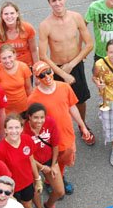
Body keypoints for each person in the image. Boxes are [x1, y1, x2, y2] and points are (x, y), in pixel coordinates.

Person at [38, 0, 95, 143]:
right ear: (49, 3)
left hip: (74, 65)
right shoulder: (45, 25)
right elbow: (42, 55)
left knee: (81, 99)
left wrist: (72, 64)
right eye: (53, 0)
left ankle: (82, 125)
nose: (57, 3)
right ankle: (58, 130)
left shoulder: (76, 17)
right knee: (56, 102)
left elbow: (89, 44)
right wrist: (63, 73)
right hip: (57, 69)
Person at [27, 61, 90, 195]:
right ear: (37, 79)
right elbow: (32, 122)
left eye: (48, 71)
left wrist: (83, 126)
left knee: (64, 160)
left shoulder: (64, 87)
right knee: (51, 162)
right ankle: (51, 181)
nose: (47, 76)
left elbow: (72, 107)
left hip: (67, 134)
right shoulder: (33, 99)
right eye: (42, 75)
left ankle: (60, 177)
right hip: (48, 140)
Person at [23, 103, 63, 208]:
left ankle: (49, 205)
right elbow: (27, 154)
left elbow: (55, 145)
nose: (39, 121)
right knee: (36, 190)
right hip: (31, 163)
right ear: (29, 117)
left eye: (42, 117)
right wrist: (41, 167)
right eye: (35, 117)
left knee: (60, 191)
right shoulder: (23, 129)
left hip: (49, 159)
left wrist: (54, 164)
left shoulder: (50, 122)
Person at [0, 1, 38, 68]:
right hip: (6, 66)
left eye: (12, 13)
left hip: (26, 66)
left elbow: (34, 51)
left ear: (17, 14)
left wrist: (37, 68)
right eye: (6, 14)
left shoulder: (27, 28)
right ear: (2, 16)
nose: (9, 16)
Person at [0, 44, 32, 115]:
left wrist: (31, 105)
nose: (8, 61)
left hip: (23, 108)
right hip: (5, 110)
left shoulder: (23, 67)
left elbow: (28, 88)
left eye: (10, 57)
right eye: (4, 58)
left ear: (15, 55)